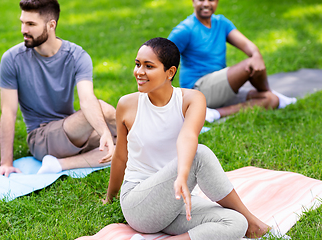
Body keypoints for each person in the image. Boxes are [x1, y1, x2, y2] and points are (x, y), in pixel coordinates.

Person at [103, 37, 270, 239]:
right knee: (199, 154)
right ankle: (255, 224)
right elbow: (121, 155)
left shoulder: (191, 99)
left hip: (174, 199)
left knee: (236, 223)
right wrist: (110, 198)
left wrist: (182, 175)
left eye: (149, 66)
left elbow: (188, 136)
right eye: (137, 64)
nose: (139, 72)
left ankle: (247, 223)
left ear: (170, 72)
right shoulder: (127, 104)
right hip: (139, 203)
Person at [0, 0, 116, 177]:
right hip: (41, 138)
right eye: (22, 22)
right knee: (104, 110)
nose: (23, 30)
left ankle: (59, 165)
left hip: (71, 129)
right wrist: (6, 162)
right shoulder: (12, 59)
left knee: (125, 147)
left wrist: (103, 131)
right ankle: (139, 138)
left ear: (51, 25)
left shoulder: (77, 56)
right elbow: (8, 112)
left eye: (30, 24)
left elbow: (87, 99)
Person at [168, 0, 296, 123]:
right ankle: (269, 90)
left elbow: (247, 45)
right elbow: (162, 57)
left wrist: (256, 54)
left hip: (219, 88)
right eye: (201, 0)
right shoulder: (185, 29)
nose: (206, 4)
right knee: (249, 65)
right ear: (193, 1)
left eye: (211, 0)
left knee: (270, 100)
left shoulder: (221, 23)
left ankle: (215, 113)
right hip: (197, 89)